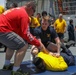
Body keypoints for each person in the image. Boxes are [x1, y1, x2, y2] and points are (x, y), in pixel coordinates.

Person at [0, 1, 48, 75]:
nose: (33, 14)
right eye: (34, 11)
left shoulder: (18, 10)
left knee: (12, 45)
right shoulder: (24, 14)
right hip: (3, 29)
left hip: (3, 28)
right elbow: (26, 34)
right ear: (30, 8)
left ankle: (6, 65)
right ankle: (16, 70)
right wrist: (39, 44)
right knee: (23, 45)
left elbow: (20, 32)